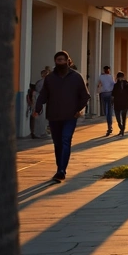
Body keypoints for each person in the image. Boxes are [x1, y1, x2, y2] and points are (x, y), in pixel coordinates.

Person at [33, 51, 90, 183]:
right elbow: (43, 95)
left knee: (65, 140)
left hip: (70, 116)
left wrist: (78, 109)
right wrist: (37, 108)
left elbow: (85, 96)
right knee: (58, 144)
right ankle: (60, 167)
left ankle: (62, 170)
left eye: (63, 60)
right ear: (55, 62)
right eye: (58, 60)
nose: (61, 62)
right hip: (54, 116)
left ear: (68, 61)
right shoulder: (50, 78)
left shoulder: (76, 77)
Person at [98, 65, 116, 135]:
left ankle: (109, 124)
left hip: (103, 94)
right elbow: (113, 84)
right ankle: (109, 125)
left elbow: (99, 84)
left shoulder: (101, 76)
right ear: (109, 70)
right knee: (110, 110)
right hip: (109, 93)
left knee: (106, 109)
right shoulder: (110, 77)